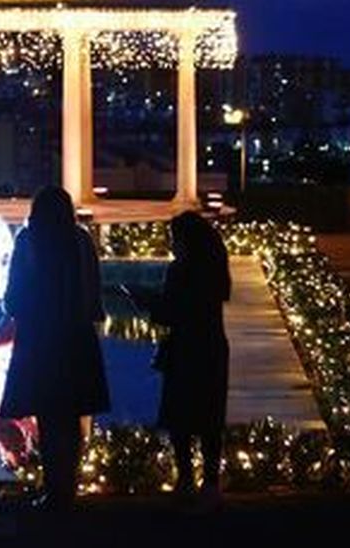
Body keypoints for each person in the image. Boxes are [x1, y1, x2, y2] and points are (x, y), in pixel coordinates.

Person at [0, 186, 109, 511]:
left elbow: (15, 297)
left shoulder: (29, 241)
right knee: (72, 414)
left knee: (48, 417)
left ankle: (54, 488)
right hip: (77, 338)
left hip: (40, 340)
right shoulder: (81, 240)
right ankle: (68, 488)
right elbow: (94, 293)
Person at [143, 211, 231, 508]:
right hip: (212, 347)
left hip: (185, 348)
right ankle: (211, 482)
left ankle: (185, 479)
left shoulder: (180, 270)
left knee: (180, 415)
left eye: (174, 238)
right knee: (210, 415)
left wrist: (147, 303)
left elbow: (171, 312)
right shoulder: (216, 268)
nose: (171, 244)